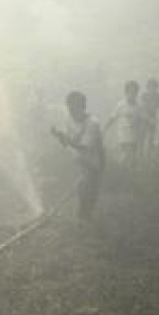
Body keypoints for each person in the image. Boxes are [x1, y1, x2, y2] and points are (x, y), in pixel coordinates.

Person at [51, 91, 105, 220]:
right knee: (83, 190)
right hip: (80, 161)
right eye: (69, 107)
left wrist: (67, 140)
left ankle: (85, 217)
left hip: (94, 162)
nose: (71, 111)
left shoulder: (92, 123)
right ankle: (84, 217)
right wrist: (59, 136)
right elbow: (67, 143)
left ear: (82, 107)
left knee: (88, 189)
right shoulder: (70, 119)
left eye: (73, 108)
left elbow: (84, 147)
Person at [104, 80, 143, 169]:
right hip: (124, 133)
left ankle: (129, 174)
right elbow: (112, 117)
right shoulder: (121, 105)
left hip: (134, 134)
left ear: (137, 93)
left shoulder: (138, 106)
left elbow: (141, 117)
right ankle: (119, 170)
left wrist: (144, 121)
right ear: (126, 92)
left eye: (135, 92)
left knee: (133, 156)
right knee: (127, 153)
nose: (133, 94)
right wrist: (105, 127)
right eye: (130, 92)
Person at [139, 78, 159, 155]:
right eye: (151, 87)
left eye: (154, 87)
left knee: (151, 137)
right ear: (148, 87)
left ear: (156, 88)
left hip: (153, 118)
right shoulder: (144, 96)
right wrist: (148, 118)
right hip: (144, 118)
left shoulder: (158, 97)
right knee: (143, 136)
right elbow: (142, 108)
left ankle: (149, 153)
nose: (152, 89)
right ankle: (141, 152)